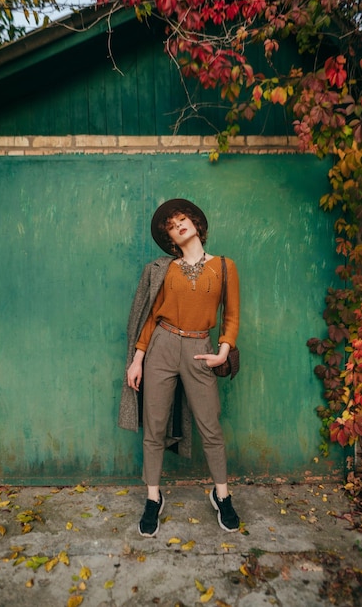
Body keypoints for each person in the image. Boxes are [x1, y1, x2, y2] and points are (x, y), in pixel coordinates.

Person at [119, 198, 240, 537]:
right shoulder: (165, 269)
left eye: (182, 219)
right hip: (162, 346)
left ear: (197, 225)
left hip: (201, 348)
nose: (179, 225)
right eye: (172, 226)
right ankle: (153, 498)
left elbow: (231, 316)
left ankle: (222, 495)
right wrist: (138, 359)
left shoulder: (225, 267)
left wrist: (222, 352)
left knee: (210, 426)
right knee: (154, 426)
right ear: (170, 239)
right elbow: (150, 317)